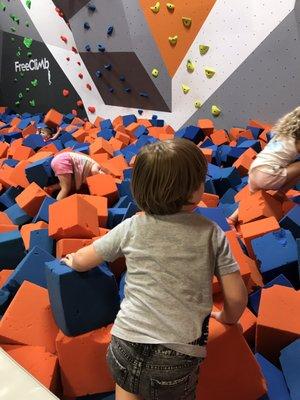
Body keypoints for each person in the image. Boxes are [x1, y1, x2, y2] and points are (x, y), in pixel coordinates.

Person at [61, 139, 248, 400]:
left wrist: (73, 260)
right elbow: (237, 297)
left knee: (127, 389)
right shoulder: (211, 234)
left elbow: (86, 258)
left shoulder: (132, 226)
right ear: (195, 190)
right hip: (177, 355)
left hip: (125, 342)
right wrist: (227, 317)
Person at [229, 106, 300, 225]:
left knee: (251, 198)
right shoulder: (296, 142)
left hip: (254, 170)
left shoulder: (280, 135)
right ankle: (281, 193)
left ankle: (232, 219)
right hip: (268, 174)